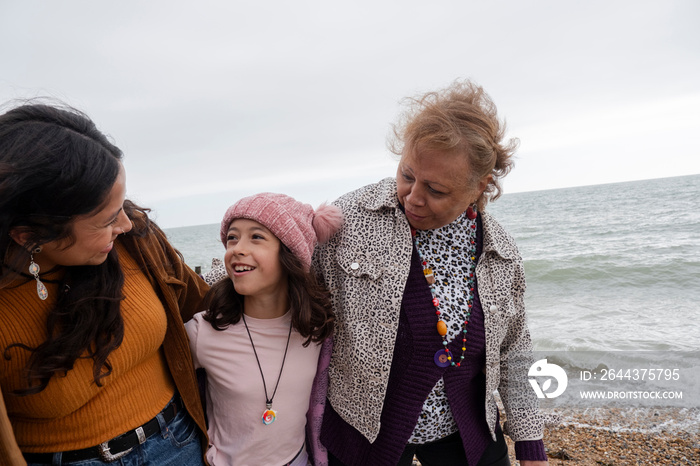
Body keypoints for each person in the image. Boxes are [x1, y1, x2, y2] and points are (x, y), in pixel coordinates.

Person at [313, 80, 554, 465]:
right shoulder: (349, 220)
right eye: (407, 175)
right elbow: (285, 289)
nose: (412, 197)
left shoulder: (500, 252)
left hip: (468, 436)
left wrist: (530, 443)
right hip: (362, 435)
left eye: (436, 190)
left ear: (480, 187)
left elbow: (514, 350)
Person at [0, 103, 209, 465]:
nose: (126, 224)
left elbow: (206, 303)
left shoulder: (135, 241)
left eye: (122, 207)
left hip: (178, 442)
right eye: (107, 219)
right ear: (28, 234)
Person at [187, 193, 342, 466]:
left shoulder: (314, 329)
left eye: (256, 237)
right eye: (232, 238)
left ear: (290, 254)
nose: (237, 248)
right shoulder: (204, 331)